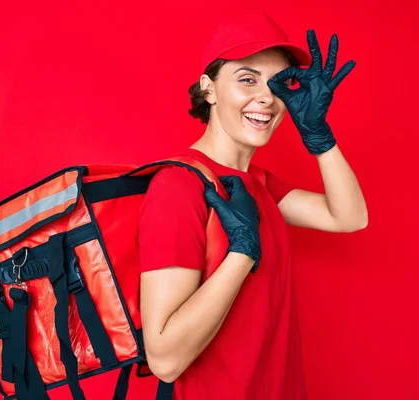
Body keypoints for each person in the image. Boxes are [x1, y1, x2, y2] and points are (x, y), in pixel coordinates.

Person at [137, 12, 368, 400]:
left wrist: (319, 136)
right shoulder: (178, 186)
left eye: (278, 83)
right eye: (247, 79)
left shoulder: (258, 183)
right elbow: (164, 360)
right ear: (208, 89)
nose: (267, 97)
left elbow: (348, 217)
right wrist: (242, 253)